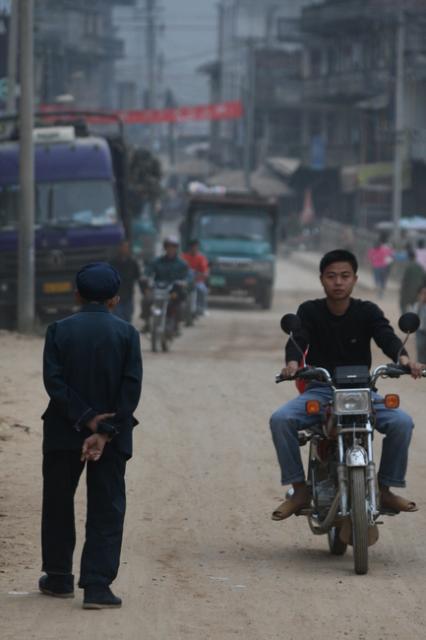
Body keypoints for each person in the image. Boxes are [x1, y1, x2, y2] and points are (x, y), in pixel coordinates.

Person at [270, 249, 422, 522]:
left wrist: (404, 359)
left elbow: (386, 336)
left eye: (344, 276)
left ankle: (385, 488)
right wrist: (293, 365)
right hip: (321, 389)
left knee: (402, 422)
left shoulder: (367, 311)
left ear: (354, 279)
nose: (338, 282)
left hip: (362, 392)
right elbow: (298, 338)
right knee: (281, 419)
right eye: (331, 276)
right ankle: (300, 491)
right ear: (322, 280)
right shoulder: (309, 311)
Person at [40, 262, 143, 609]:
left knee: (57, 503)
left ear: (77, 295)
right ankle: (97, 587)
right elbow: (130, 389)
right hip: (111, 438)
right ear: (115, 299)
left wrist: (86, 420)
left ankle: (58, 578)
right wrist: (105, 430)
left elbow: (54, 384)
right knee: (107, 506)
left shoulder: (58, 330)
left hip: (63, 432)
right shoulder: (128, 334)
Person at [141, 235, 189, 332]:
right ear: (165, 247)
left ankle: (176, 324)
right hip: (158, 289)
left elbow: (187, 276)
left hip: (174, 291)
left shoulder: (182, 264)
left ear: (176, 248)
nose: (171, 249)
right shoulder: (157, 261)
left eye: (173, 246)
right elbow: (148, 270)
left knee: (179, 305)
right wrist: (145, 276)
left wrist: (184, 282)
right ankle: (147, 323)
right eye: (168, 246)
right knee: (146, 300)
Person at [111, 240, 142, 323]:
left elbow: (139, 278)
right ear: (119, 248)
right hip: (116, 296)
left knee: (128, 318)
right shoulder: (112, 263)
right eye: (123, 247)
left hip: (128, 295)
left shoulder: (132, 263)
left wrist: (145, 290)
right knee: (118, 318)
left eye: (126, 247)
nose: (124, 249)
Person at [182, 239, 209, 315]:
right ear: (189, 248)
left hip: (197, 281)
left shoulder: (201, 258)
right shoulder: (184, 257)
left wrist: (203, 274)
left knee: (202, 290)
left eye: (195, 247)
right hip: (185, 281)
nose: (194, 248)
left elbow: (205, 270)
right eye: (192, 247)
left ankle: (202, 308)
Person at [399, 248, 425, 313]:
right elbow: (424, 278)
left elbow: (404, 280)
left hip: (407, 292)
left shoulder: (407, 267)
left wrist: (401, 290)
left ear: (408, 257)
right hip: (417, 292)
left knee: (402, 305)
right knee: (418, 305)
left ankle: (405, 318)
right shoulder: (420, 267)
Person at [413, 285, 426, 362]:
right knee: (420, 347)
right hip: (420, 331)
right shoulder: (417, 305)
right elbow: (414, 316)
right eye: (423, 293)